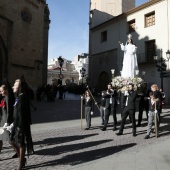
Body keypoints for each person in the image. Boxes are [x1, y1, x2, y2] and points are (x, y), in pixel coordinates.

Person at [9, 77, 34, 170]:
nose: (12, 87)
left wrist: (18, 126)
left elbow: (22, 114)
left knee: (21, 143)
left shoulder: (22, 98)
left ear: (19, 87)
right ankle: (22, 159)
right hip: (17, 123)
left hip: (21, 124)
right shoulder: (18, 97)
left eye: (15, 85)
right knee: (12, 141)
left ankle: (21, 163)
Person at [0, 81, 16, 157]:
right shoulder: (4, 98)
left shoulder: (8, 98)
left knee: (11, 140)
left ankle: (19, 152)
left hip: (7, 121)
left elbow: (9, 111)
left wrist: (7, 122)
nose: (1, 92)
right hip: (2, 119)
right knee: (1, 139)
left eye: (2, 91)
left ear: (6, 90)